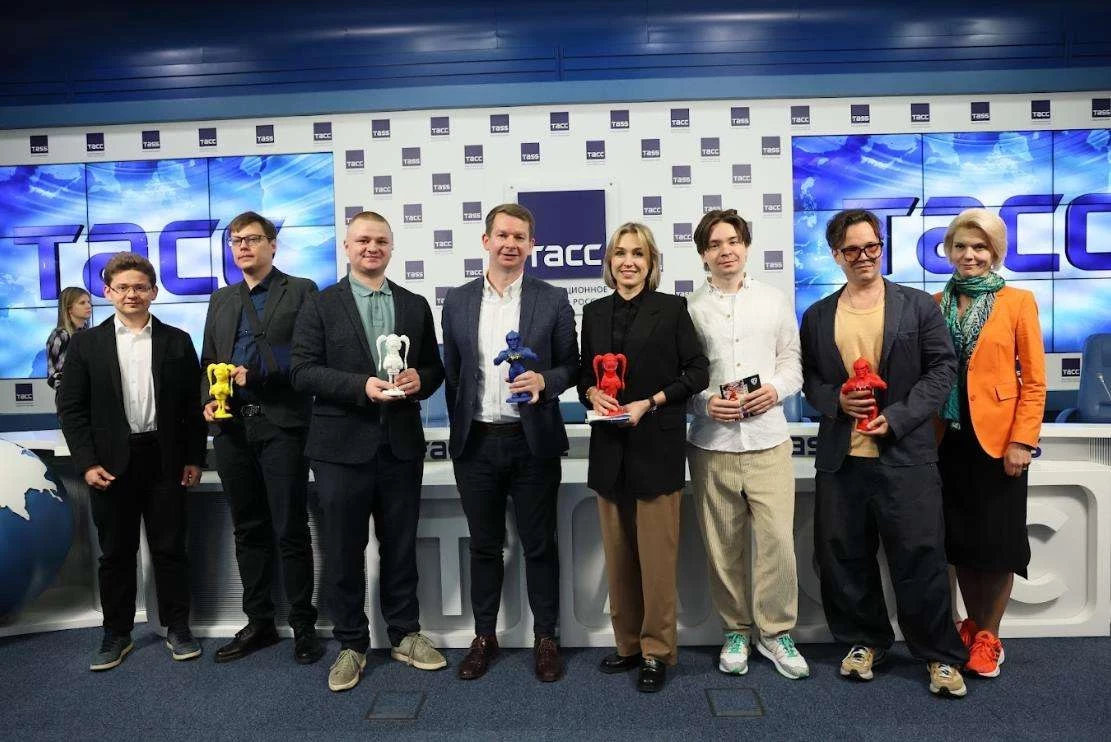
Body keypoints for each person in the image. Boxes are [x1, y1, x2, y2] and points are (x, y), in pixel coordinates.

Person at [799, 209, 969, 698]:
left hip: (906, 456)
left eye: (871, 246)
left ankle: (939, 656)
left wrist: (896, 418)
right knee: (842, 557)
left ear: (881, 246)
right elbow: (810, 379)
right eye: (852, 249)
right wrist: (836, 400)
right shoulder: (818, 315)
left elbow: (942, 370)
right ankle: (864, 642)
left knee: (921, 558)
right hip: (842, 460)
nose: (863, 257)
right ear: (836, 255)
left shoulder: (916, 306)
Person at [291, 211, 445, 693]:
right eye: (362, 240)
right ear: (347, 246)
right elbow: (302, 371)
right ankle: (352, 644)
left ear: (391, 247)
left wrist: (421, 380)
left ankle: (404, 634)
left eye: (380, 240)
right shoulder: (320, 305)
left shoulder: (414, 304)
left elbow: (434, 369)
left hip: (400, 447)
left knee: (401, 546)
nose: (371, 247)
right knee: (343, 550)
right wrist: (362, 386)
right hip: (339, 449)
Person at [441, 203, 578, 683]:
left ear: (531, 245)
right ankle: (484, 636)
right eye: (502, 235)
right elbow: (454, 375)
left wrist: (545, 381)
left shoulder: (553, 299)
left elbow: (572, 366)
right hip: (476, 443)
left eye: (520, 237)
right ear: (486, 241)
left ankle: (546, 637)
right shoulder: (457, 301)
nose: (510, 244)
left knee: (540, 545)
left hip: (531, 442)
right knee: (484, 546)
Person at [58, 252, 206, 671]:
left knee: (170, 550)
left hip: (165, 459)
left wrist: (194, 457)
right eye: (122, 287)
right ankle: (116, 634)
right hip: (109, 466)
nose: (131, 294)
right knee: (116, 554)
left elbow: (191, 408)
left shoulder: (178, 340)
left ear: (154, 292)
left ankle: (178, 628)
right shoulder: (86, 344)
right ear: (107, 292)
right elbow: (71, 409)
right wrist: (86, 463)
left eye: (140, 287)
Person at [578, 222, 708, 693]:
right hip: (608, 451)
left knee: (656, 561)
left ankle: (657, 651)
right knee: (619, 558)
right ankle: (628, 644)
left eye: (637, 253)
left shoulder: (672, 309)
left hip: (657, 446)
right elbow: (584, 373)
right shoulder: (593, 312)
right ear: (609, 262)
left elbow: (697, 372)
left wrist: (649, 402)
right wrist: (591, 391)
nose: (628, 261)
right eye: (620, 253)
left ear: (651, 263)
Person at [685, 209, 808, 680]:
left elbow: (792, 363)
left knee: (777, 543)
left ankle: (775, 633)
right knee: (723, 547)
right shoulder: (690, 309)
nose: (726, 251)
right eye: (715, 244)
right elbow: (683, 380)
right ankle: (735, 630)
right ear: (703, 254)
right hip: (712, 445)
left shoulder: (774, 301)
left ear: (746, 246)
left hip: (768, 441)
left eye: (733, 241)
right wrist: (704, 403)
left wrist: (774, 390)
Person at [199, 211, 323, 666]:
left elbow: (310, 357)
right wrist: (207, 403)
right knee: (247, 528)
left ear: (273, 244)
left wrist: (261, 373)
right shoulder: (221, 299)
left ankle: (304, 626)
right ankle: (259, 622)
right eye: (236, 241)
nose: (243, 247)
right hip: (231, 428)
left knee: (290, 528)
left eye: (252, 239)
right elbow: (208, 360)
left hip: (282, 425)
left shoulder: (302, 290)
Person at [935, 208, 1046, 678]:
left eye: (980, 247)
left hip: (999, 442)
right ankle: (970, 626)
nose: (970, 255)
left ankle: (989, 636)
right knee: (960, 542)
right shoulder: (935, 302)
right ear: (948, 250)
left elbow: (1035, 382)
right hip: (946, 439)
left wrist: (1023, 440)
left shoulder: (1018, 302)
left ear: (995, 252)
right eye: (961, 246)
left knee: (997, 543)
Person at [46, 286, 92, 411]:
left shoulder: (90, 334)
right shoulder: (60, 335)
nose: (88, 306)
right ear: (69, 308)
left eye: (89, 302)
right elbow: (54, 376)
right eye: (82, 303)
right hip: (73, 404)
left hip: (92, 401)